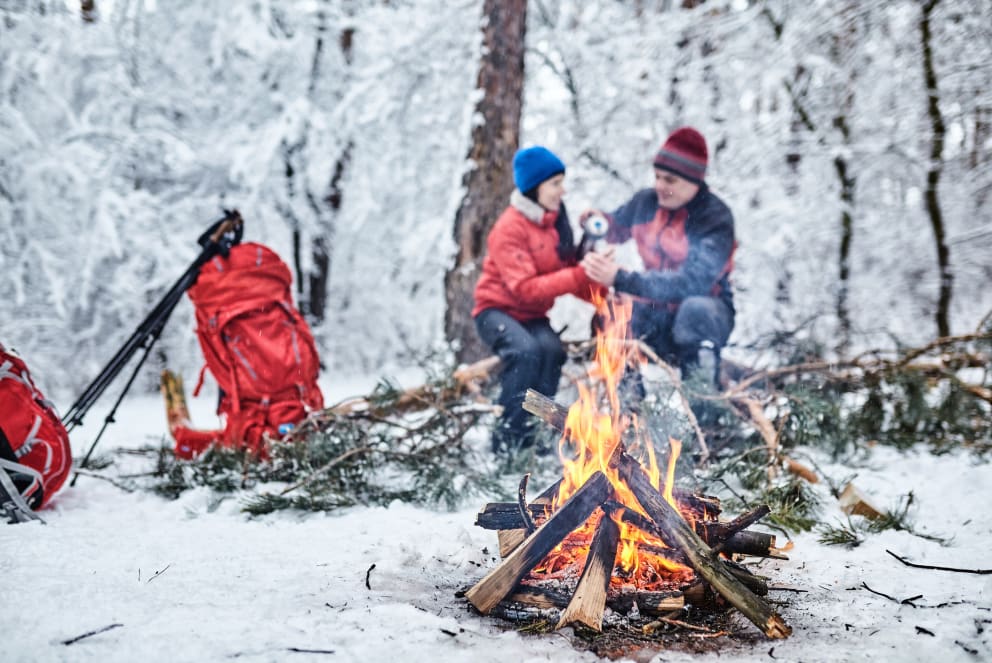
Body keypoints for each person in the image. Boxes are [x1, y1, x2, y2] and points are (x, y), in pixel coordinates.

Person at [580, 127, 735, 388]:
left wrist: (621, 278)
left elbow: (692, 283)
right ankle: (628, 412)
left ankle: (706, 411)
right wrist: (599, 221)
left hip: (706, 315)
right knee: (612, 312)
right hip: (657, 314)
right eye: (657, 177)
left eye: (670, 181)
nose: (660, 186)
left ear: (694, 181)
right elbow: (618, 225)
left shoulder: (715, 218)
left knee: (694, 309)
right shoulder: (647, 203)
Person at [473, 146, 603, 453]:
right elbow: (525, 288)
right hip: (495, 311)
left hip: (530, 315)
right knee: (526, 352)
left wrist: (608, 290)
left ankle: (538, 437)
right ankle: (507, 443)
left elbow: (569, 270)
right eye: (555, 183)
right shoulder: (509, 227)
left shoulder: (554, 222)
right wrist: (580, 274)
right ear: (535, 187)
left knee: (552, 351)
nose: (563, 190)